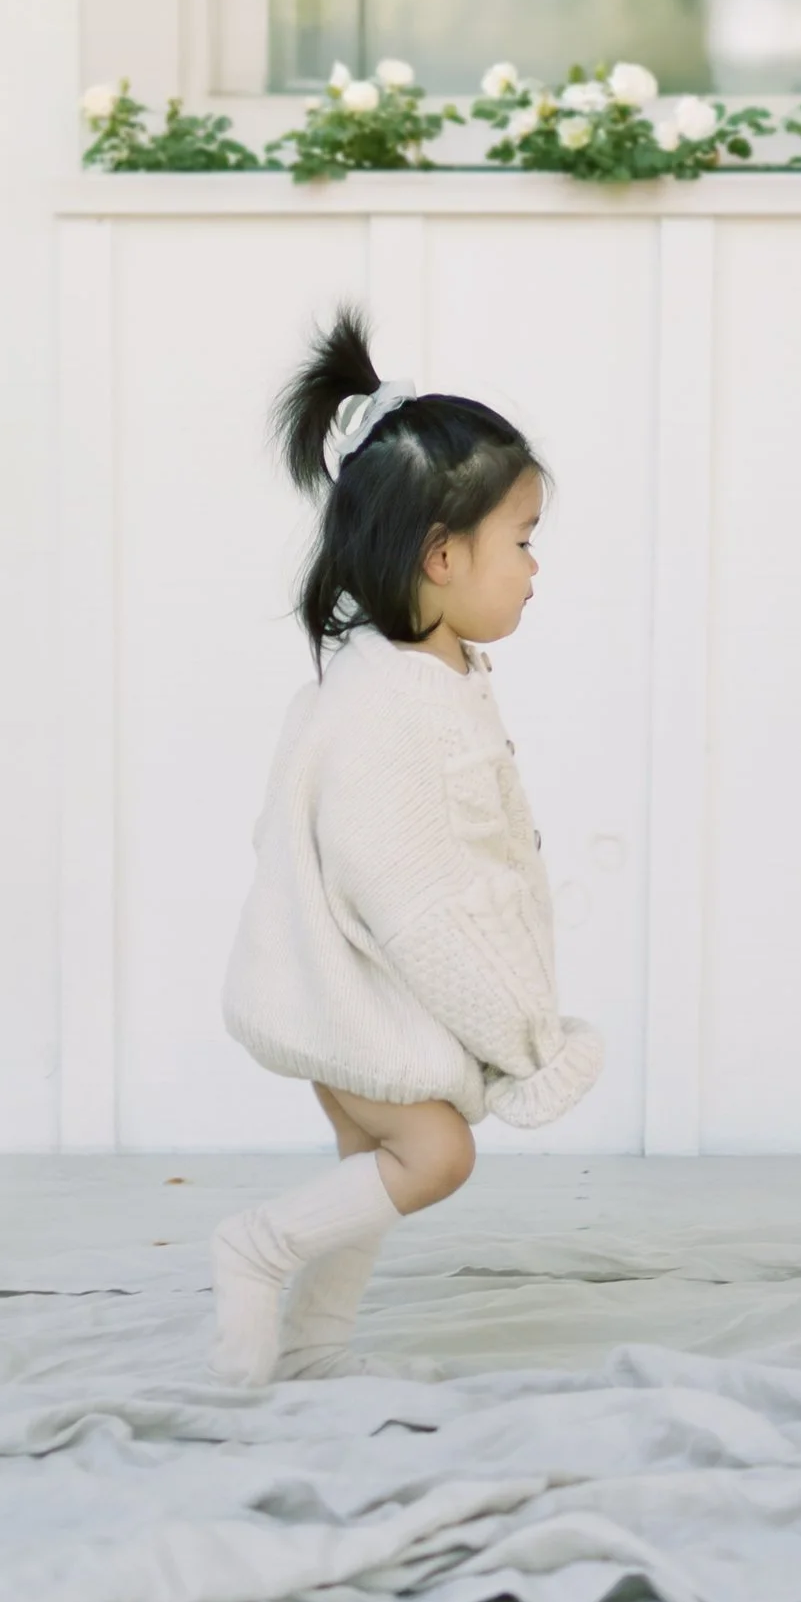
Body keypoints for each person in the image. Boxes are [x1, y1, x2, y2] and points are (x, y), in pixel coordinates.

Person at [213, 308, 602, 1384]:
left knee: (370, 1166)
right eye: (521, 541)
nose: (534, 568)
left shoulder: (417, 676)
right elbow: (423, 898)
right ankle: (255, 1248)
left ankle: (310, 1353)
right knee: (436, 1154)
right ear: (441, 556)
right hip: (342, 991)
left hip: (345, 983)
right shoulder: (395, 710)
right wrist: (524, 1040)